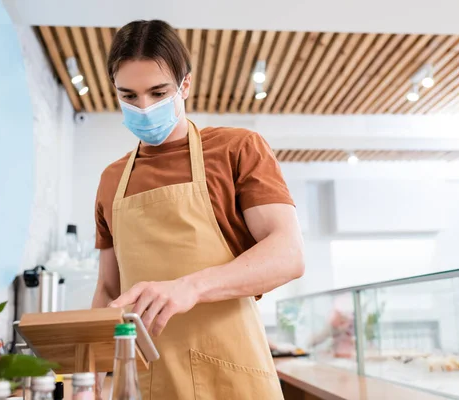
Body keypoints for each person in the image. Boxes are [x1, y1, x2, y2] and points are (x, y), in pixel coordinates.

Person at [91, 19, 305, 399]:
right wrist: (90, 378)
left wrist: (191, 287)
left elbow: (288, 254)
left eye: (158, 93)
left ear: (184, 85)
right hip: (145, 385)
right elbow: (110, 288)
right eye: (129, 96)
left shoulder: (235, 149)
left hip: (232, 380)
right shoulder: (112, 178)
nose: (144, 107)